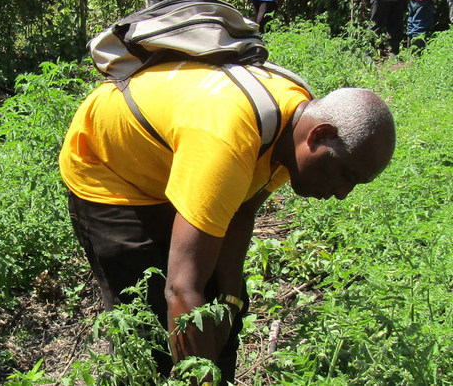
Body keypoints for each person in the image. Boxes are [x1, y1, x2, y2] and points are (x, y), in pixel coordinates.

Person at [59, 60, 396, 381]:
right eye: (346, 175)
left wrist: (231, 298)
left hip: (174, 156)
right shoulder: (229, 143)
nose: (342, 193)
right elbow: (181, 289)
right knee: (152, 323)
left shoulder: (293, 122)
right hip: (107, 166)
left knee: (220, 302)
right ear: (318, 136)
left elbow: (242, 207)